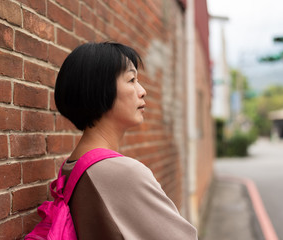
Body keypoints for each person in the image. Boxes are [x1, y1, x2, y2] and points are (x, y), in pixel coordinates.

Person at [55, 42, 198, 240]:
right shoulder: (123, 173)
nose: (142, 91)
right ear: (99, 89)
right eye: (131, 80)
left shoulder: (70, 167)